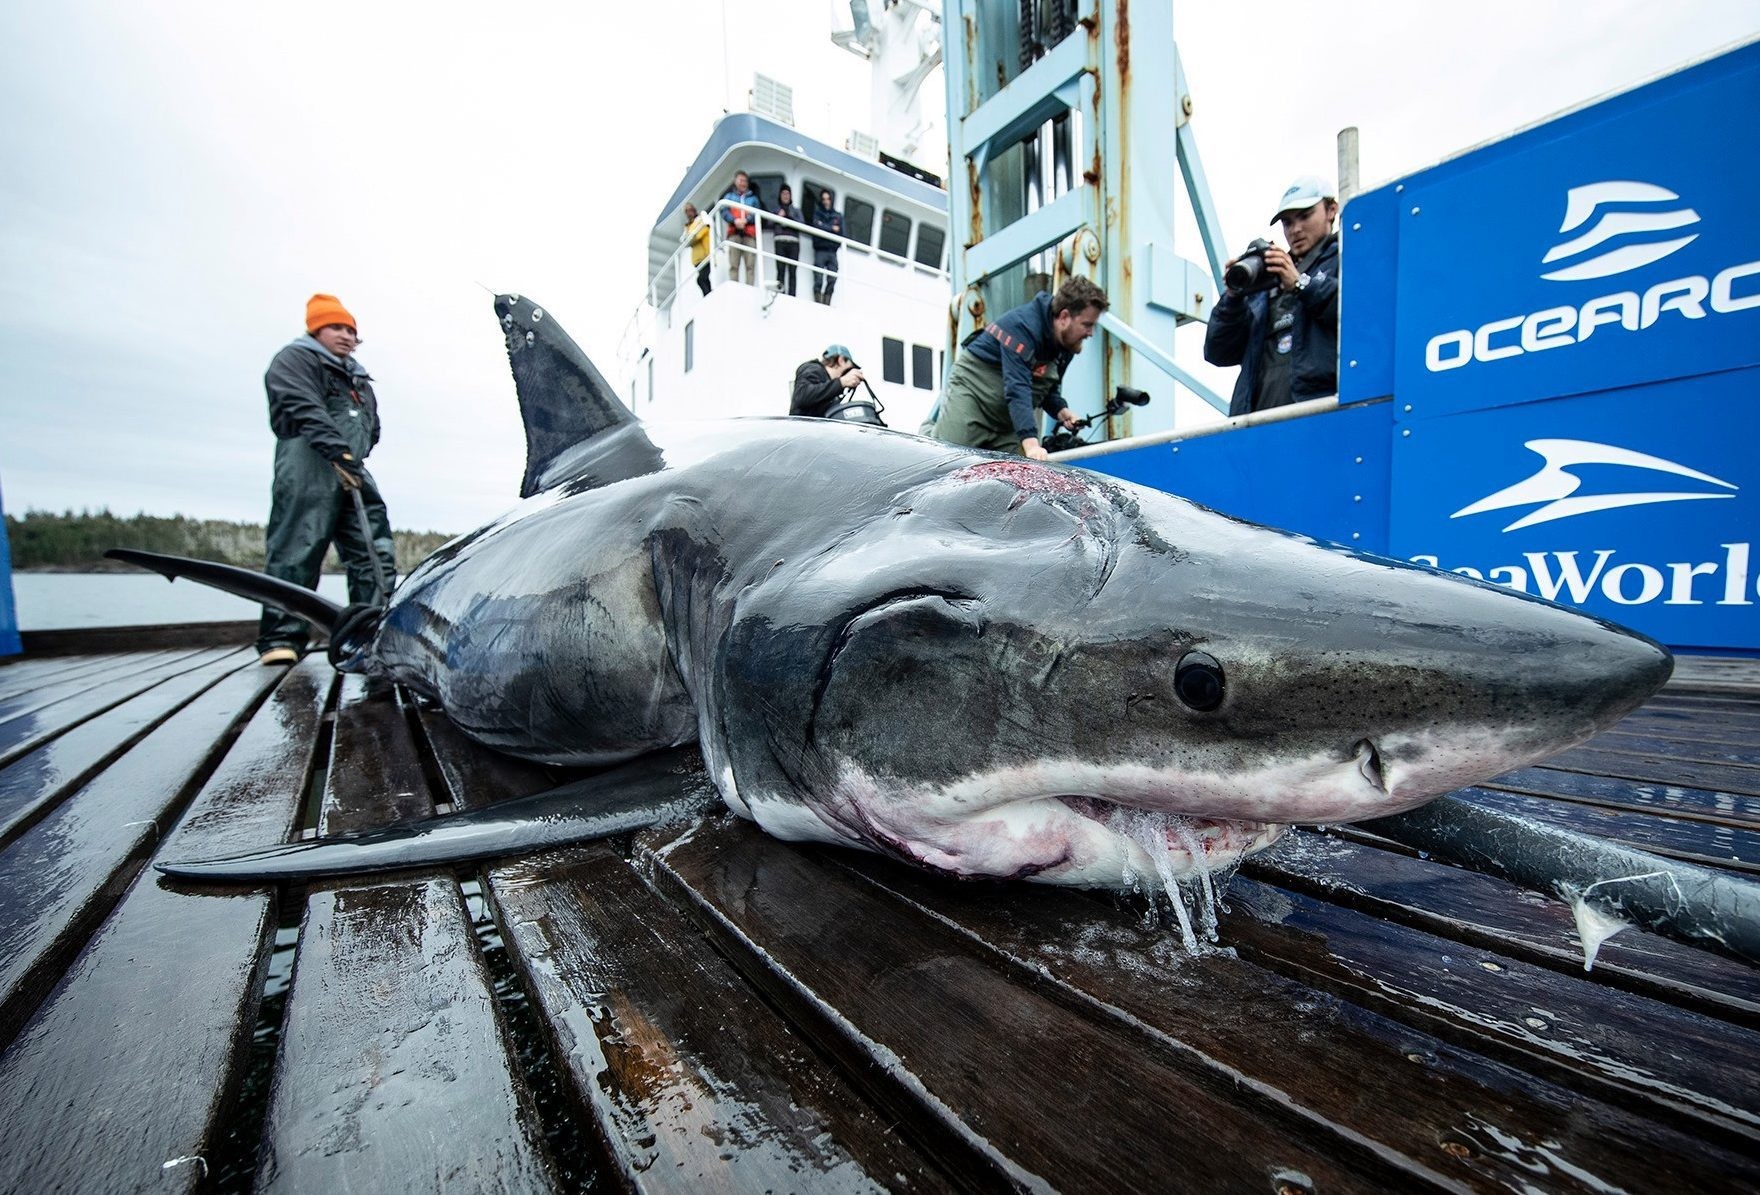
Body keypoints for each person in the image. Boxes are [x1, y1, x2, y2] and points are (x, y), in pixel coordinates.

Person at [255, 294, 396, 666]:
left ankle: (372, 634)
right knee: (297, 548)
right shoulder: (295, 360)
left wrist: (357, 453)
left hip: (353, 467)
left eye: (352, 330)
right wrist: (337, 452)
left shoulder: (358, 376)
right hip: (310, 463)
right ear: (315, 330)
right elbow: (303, 407)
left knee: (374, 553)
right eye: (337, 327)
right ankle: (281, 637)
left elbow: (370, 423)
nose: (347, 336)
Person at [1203, 174, 1342, 416]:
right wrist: (1233, 298)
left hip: (1319, 417)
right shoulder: (1266, 281)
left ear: (1331, 210)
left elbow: (1360, 316)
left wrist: (1300, 284)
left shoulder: (1348, 254)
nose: (1295, 229)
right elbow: (1217, 352)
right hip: (1258, 425)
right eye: (1287, 222)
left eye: (1305, 215)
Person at [932, 277, 1105, 460]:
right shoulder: (1022, 327)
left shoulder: (1067, 344)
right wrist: (1031, 446)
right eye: (1087, 325)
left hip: (1008, 418)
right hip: (974, 396)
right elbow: (1018, 387)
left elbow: (1046, 388)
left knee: (1019, 474)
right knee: (946, 458)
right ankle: (929, 432)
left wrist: (1062, 411)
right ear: (1064, 317)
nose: (1090, 333)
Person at [790, 344, 865, 417]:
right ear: (841, 360)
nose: (849, 373)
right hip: (803, 427)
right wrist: (842, 382)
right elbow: (802, 395)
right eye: (849, 368)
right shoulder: (814, 369)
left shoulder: (830, 389)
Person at [721, 171, 760, 285]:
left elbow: (757, 213)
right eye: (740, 180)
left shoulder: (753, 199)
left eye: (745, 181)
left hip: (749, 235)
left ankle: (749, 287)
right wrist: (735, 221)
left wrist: (746, 220)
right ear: (735, 181)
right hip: (734, 234)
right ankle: (734, 287)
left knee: (750, 265)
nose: (743, 183)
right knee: (734, 264)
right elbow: (724, 212)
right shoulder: (729, 197)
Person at [810, 189, 843, 305]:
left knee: (833, 277)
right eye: (823, 199)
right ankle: (818, 302)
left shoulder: (838, 216)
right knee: (818, 278)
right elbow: (816, 227)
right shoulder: (817, 213)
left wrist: (823, 226)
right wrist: (831, 228)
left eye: (828, 199)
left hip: (832, 250)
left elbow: (841, 233)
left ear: (831, 200)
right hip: (820, 249)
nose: (826, 201)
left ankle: (826, 302)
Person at [771, 184, 802, 297]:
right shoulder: (776, 210)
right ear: (780, 195)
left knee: (793, 271)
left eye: (788, 193)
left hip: (793, 242)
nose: (786, 196)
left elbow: (802, 224)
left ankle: (792, 295)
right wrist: (778, 217)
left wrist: (789, 217)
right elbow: (769, 223)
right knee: (780, 270)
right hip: (780, 241)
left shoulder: (796, 211)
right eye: (783, 193)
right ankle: (780, 293)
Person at [683, 202, 712, 296]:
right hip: (697, 258)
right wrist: (691, 239)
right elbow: (686, 241)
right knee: (704, 279)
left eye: (690, 209)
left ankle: (708, 296)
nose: (689, 212)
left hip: (706, 254)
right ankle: (709, 296)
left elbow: (700, 233)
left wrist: (691, 239)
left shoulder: (700, 219)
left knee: (701, 279)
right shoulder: (687, 227)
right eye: (686, 211)